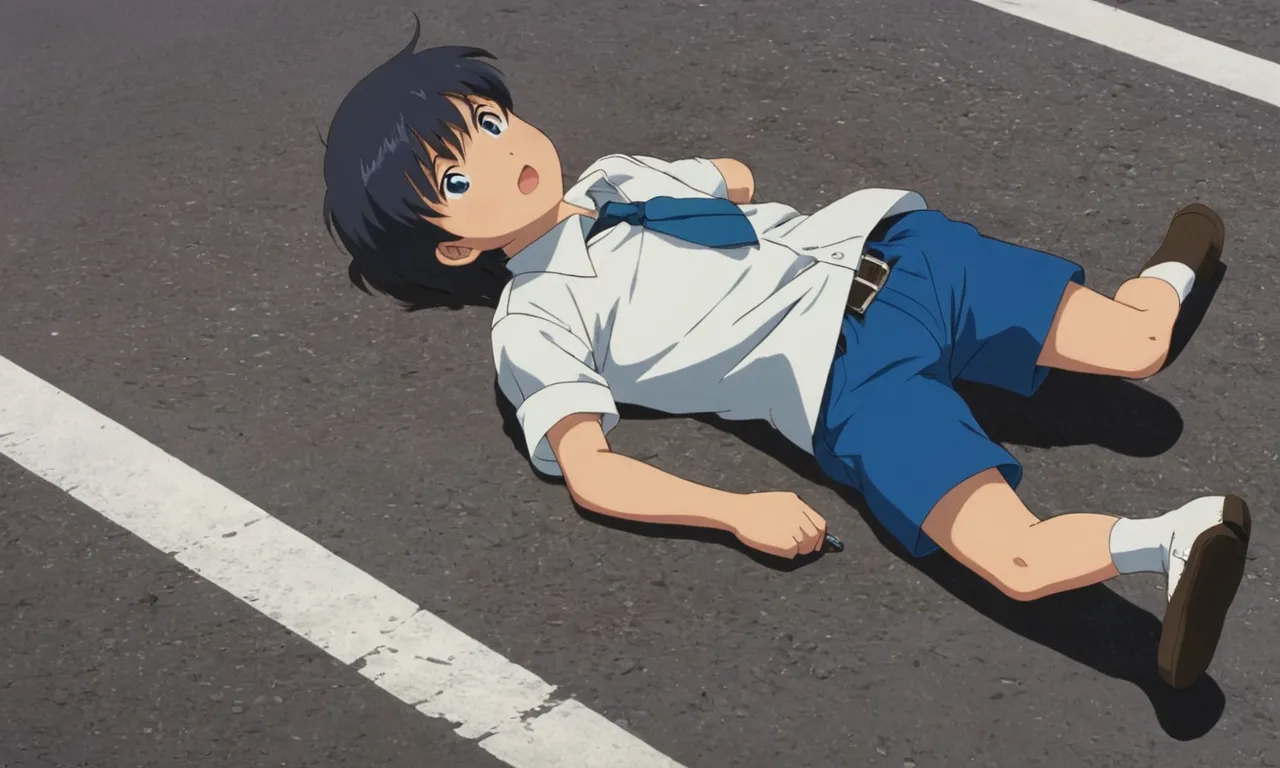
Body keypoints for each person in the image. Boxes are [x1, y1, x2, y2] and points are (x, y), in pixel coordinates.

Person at [321, 22, 1252, 690]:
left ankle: (1175, 261)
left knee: (1139, 345)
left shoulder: (614, 179)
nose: (501, 152)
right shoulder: (536, 316)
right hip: (843, 378)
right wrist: (734, 510)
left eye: (487, 123)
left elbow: (735, 180)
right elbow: (592, 472)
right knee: (1009, 556)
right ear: (452, 249)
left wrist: (674, 181)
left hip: (901, 252)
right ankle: (1171, 542)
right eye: (455, 177)